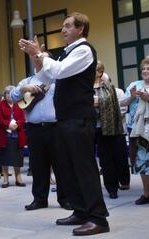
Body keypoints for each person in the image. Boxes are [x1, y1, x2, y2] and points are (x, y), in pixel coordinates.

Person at [19, 12, 110, 236]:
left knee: (84, 169)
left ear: (81, 29)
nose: (63, 30)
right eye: (63, 26)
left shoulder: (84, 50)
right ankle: (80, 211)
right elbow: (46, 78)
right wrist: (35, 57)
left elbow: (57, 72)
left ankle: (98, 218)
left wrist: (39, 52)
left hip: (79, 118)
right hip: (67, 119)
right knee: (69, 170)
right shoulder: (66, 54)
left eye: (68, 26)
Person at [11, 71, 70, 211]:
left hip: (55, 127)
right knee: (38, 165)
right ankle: (39, 199)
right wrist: (24, 89)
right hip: (34, 128)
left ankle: (66, 198)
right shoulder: (27, 81)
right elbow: (13, 97)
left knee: (61, 164)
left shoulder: (58, 80)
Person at [93, 61, 130, 199]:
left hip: (105, 127)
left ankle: (112, 188)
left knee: (107, 159)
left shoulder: (108, 87)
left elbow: (112, 105)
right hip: (88, 127)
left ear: (100, 72)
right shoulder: (84, 87)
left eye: (94, 70)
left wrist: (99, 102)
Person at [124, 58, 149, 205]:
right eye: (144, 69)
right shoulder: (134, 85)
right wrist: (132, 96)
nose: (145, 71)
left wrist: (148, 98)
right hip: (138, 130)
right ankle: (147, 194)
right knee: (142, 161)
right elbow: (122, 103)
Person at [0, 85, 26, 188]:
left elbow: (22, 118)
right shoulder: (0, 105)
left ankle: (18, 177)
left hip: (17, 134)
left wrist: (17, 125)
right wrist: (8, 125)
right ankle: (5, 178)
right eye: (7, 93)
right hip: (4, 135)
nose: (9, 95)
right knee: (4, 158)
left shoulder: (19, 104)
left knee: (17, 158)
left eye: (11, 93)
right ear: (5, 95)